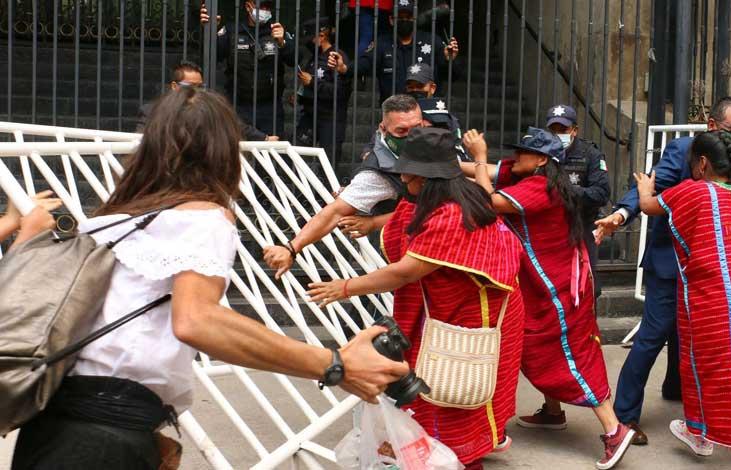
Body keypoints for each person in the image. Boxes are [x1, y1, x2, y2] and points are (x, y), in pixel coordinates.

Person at [10, 88, 410, 470]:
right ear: (224, 152)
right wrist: (334, 364)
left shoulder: (113, 220)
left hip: (51, 422)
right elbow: (196, 321)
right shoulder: (202, 217)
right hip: (104, 429)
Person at [308, 127, 525, 470]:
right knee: (457, 389)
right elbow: (405, 221)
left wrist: (344, 287)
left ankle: (458, 455)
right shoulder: (461, 195)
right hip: (474, 306)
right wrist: (373, 223)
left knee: (449, 388)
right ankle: (471, 443)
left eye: (407, 174)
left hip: (472, 316)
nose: (402, 180)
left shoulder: (451, 215)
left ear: (424, 179)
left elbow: (406, 272)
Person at [461, 127, 634, 470]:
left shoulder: (540, 187)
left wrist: (478, 156)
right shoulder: (531, 176)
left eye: (522, 152)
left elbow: (487, 202)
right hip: (545, 285)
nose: (515, 157)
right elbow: (489, 172)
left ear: (541, 160)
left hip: (558, 290)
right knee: (538, 348)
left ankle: (614, 429)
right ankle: (552, 412)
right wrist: (446, 162)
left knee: (572, 355)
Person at [594, 96, 731, 444]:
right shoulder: (683, 151)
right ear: (712, 126)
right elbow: (649, 190)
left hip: (710, 269)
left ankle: (676, 388)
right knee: (653, 336)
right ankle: (624, 416)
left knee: (692, 334)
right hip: (671, 263)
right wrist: (621, 214)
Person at [633, 130, 731, 470]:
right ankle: (698, 433)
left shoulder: (695, 190)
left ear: (701, 163)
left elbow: (648, 206)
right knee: (709, 371)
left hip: (721, 309)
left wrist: (644, 188)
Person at [263, 94, 422, 278]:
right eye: (401, 131)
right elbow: (334, 212)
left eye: (417, 128)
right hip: (409, 253)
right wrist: (292, 248)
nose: (412, 137)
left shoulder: (437, 139)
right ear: (383, 129)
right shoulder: (378, 173)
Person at [201, 0, 296, 138]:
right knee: (237, 146)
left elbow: (294, 60)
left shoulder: (277, 30)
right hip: (238, 104)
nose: (264, 10)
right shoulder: (232, 30)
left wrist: (282, 43)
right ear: (248, 6)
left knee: (270, 148)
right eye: (261, 6)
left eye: (267, 7)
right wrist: (209, 31)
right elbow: (211, 56)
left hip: (269, 107)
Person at [545, 104, 611, 299]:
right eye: (553, 130)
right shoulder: (541, 151)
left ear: (574, 130)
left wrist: (567, 191)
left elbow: (601, 193)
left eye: (563, 130)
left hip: (582, 225)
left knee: (586, 286)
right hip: (549, 228)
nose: (558, 135)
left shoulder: (590, 154)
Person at [136, 61, 276, 141]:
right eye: (190, 86)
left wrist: (264, 138)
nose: (196, 91)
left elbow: (235, 125)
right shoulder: (152, 111)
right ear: (174, 86)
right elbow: (140, 140)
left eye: (200, 86)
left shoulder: (209, 109)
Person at [353, 1, 459, 101]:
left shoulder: (432, 41)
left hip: (426, 108)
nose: (404, 20)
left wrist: (449, 60)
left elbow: (453, 76)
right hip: (393, 108)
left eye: (408, 17)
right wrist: (346, 68)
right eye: (400, 17)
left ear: (415, 19)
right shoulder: (382, 43)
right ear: (391, 20)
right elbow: (364, 64)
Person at [295, 17, 352, 161]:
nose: (309, 43)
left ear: (321, 36)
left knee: (328, 164)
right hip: (310, 116)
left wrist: (312, 82)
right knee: (293, 155)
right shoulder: (315, 57)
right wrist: (300, 96)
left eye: (311, 38)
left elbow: (340, 92)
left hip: (330, 119)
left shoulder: (336, 57)